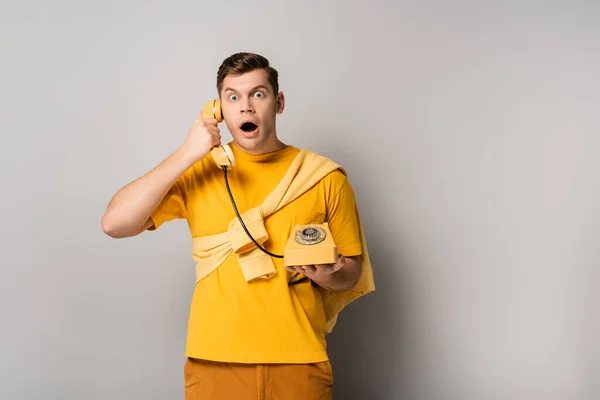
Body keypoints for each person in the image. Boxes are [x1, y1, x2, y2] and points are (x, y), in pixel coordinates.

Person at [101, 52, 374, 399]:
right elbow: (114, 223)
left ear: (279, 102)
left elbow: (352, 271)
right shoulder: (199, 171)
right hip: (214, 361)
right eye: (233, 97)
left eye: (258, 94)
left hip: (299, 361)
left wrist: (329, 274)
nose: (246, 107)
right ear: (219, 110)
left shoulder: (323, 177)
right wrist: (188, 152)